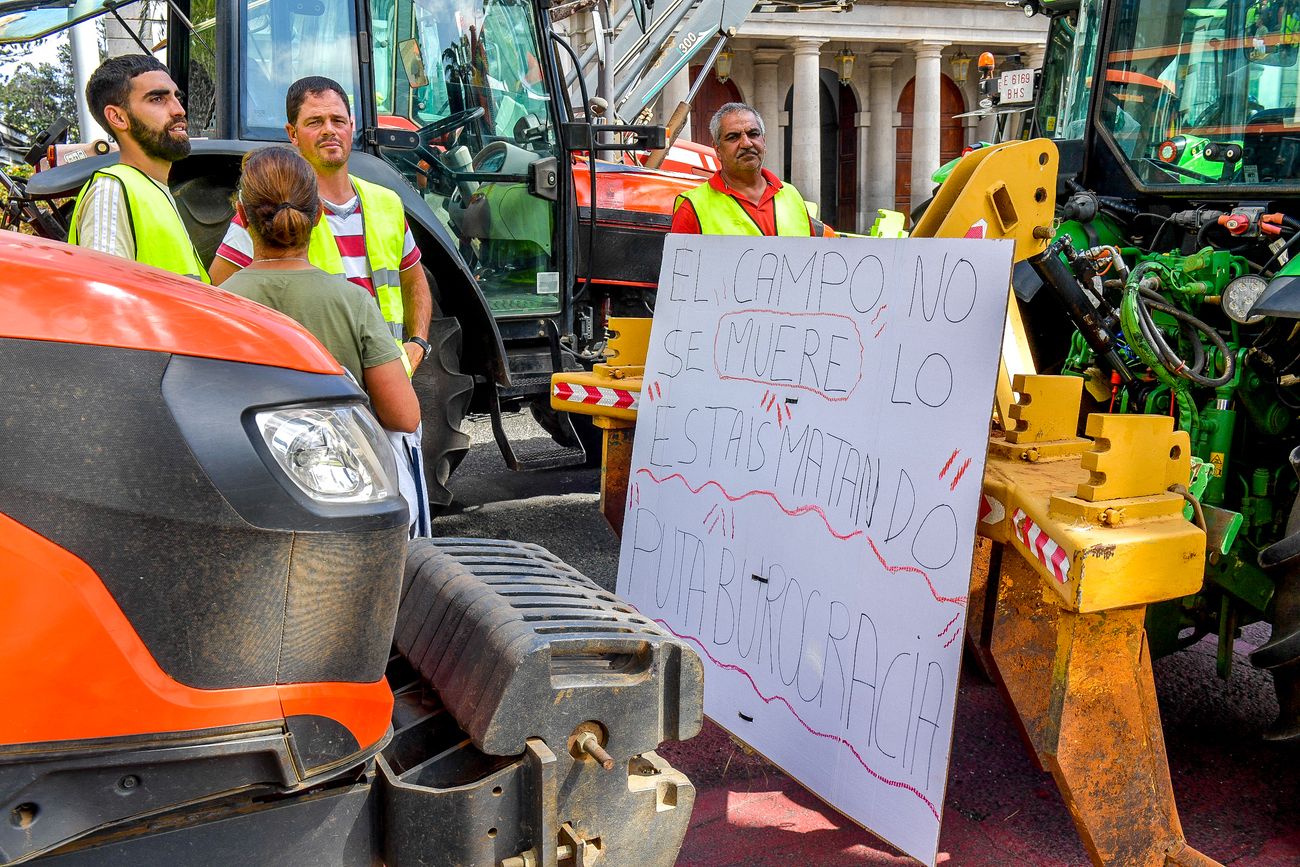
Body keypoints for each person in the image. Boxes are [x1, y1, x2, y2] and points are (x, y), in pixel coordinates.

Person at [219, 147, 429, 533]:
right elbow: (403, 416)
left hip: (250, 496)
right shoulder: (353, 302)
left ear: (243, 216)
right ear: (318, 215)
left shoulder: (220, 304)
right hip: (342, 494)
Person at [210, 76, 432, 374]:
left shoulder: (387, 203)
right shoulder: (269, 208)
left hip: (386, 374)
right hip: (315, 381)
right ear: (293, 133)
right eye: (315, 122)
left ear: (351, 127)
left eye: (338, 120)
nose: (329, 130)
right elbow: (219, 293)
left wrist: (418, 343)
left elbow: (414, 280)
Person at [67, 54, 209, 282]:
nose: (179, 110)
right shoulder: (112, 190)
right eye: (157, 99)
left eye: (176, 97)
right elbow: (106, 300)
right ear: (118, 117)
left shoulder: (153, 192)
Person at [670, 102, 833, 237]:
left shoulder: (792, 196)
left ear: (764, 141)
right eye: (733, 137)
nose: (746, 143)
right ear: (717, 149)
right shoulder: (691, 207)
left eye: (753, 134)